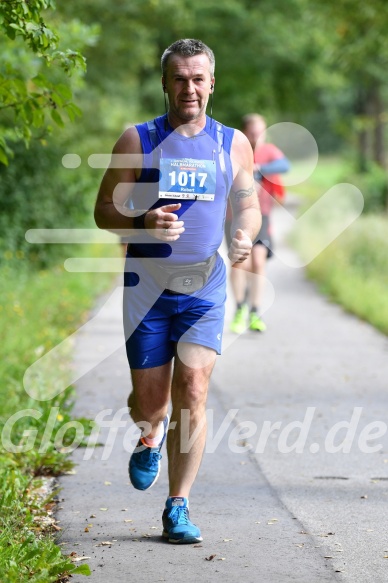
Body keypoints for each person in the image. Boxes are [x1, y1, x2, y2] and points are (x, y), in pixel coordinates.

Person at [94, 39, 261, 544]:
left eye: (198, 78)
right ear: (164, 83)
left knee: (194, 390)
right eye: (179, 78)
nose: (189, 88)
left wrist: (244, 234)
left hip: (204, 287)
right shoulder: (137, 140)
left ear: (212, 84)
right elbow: (103, 211)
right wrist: (141, 222)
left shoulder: (232, 143)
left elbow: (248, 203)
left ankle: (178, 505)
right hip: (146, 288)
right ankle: (149, 432)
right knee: (152, 404)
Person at [228, 114, 290, 334]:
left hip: (262, 214)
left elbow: (284, 165)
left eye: (261, 132)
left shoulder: (269, 151)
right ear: (245, 131)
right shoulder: (234, 148)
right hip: (234, 215)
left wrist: (259, 169)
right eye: (253, 132)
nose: (257, 137)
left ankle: (255, 311)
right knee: (240, 263)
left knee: (258, 261)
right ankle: (238, 308)